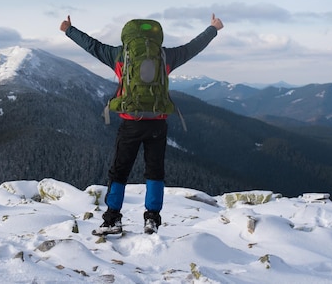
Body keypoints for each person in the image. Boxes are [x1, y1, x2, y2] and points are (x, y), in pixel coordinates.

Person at [60, 13, 224, 235]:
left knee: (119, 171)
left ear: (128, 36)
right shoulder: (165, 56)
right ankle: (152, 219)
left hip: (131, 123)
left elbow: (93, 46)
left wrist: (69, 29)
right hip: (157, 123)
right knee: (155, 171)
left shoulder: (120, 55)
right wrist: (212, 28)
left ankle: (112, 219)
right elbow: (192, 47)